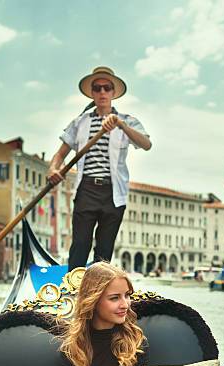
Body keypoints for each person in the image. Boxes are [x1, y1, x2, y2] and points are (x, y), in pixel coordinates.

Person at [47, 66, 151, 271]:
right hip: (86, 189)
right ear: (92, 93)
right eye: (97, 88)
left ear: (113, 92)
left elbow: (146, 144)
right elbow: (60, 154)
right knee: (80, 245)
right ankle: (73, 290)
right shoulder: (79, 123)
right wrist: (53, 169)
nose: (102, 92)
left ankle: (97, 294)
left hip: (114, 192)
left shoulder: (127, 121)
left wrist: (121, 125)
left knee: (104, 250)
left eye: (107, 88)